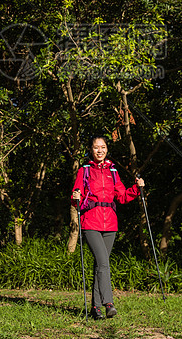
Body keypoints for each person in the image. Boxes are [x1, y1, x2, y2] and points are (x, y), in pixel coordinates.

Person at [71, 135, 145, 320]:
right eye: (96, 147)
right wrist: (76, 197)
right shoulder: (84, 170)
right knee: (104, 262)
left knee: (100, 265)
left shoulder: (113, 171)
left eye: (103, 147)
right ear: (91, 150)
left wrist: (136, 188)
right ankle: (109, 303)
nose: (100, 150)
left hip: (110, 223)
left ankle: (95, 309)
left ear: (106, 150)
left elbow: (121, 196)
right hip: (91, 222)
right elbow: (76, 198)